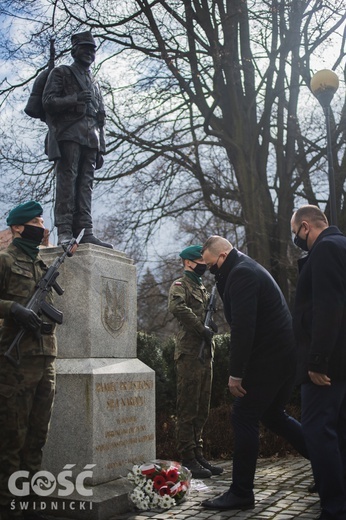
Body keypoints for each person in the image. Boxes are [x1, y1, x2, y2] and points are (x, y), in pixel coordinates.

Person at [201, 235, 309, 511]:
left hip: (270, 358)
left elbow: (244, 329)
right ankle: (329, 464)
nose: (210, 271)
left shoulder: (240, 274)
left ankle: (241, 493)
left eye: (211, 265)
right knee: (273, 415)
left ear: (222, 257)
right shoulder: (244, 269)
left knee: (243, 415)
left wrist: (236, 373)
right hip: (284, 356)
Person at [0, 201, 57, 520]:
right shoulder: (5, 260)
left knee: (38, 434)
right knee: (12, 436)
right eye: (36, 221)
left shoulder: (40, 264)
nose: (41, 225)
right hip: (15, 363)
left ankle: (32, 499)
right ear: (18, 227)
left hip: (45, 358)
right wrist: (12, 309)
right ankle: (9, 504)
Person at [291, 205, 346, 520]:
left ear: (306, 226)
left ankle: (334, 506)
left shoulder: (324, 250)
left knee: (317, 431)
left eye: (296, 232)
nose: (296, 239)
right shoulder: (342, 245)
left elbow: (328, 306)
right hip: (342, 359)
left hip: (328, 364)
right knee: (339, 430)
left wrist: (317, 361)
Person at [42, 31, 113, 249]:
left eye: (92, 50)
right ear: (74, 50)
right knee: (67, 182)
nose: (90, 53)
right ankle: (64, 230)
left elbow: (99, 117)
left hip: (91, 137)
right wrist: (74, 99)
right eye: (85, 48)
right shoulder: (62, 73)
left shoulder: (95, 82)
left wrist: (101, 147)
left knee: (85, 186)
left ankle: (86, 230)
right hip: (69, 134)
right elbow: (48, 101)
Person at [168, 245, 223, 479]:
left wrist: (212, 328)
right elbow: (177, 307)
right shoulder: (180, 285)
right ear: (188, 263)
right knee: (188, 408)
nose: (203, 263)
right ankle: (187, 457)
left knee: (202, 407)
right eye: (200, 259)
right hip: (190, 353)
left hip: (205, 354)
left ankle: (198, 453)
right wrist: (202, 328)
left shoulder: (201, 286)